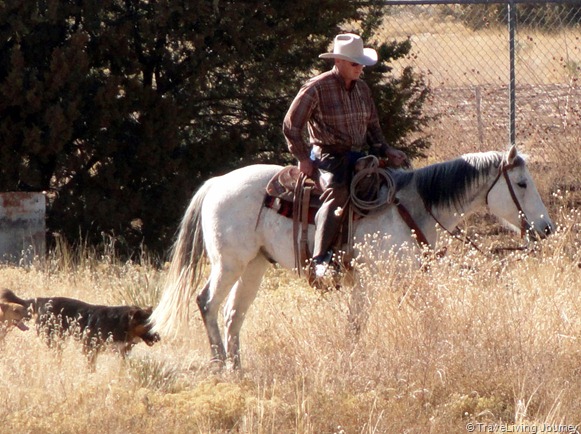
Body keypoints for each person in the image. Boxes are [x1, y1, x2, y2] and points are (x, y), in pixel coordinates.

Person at [283, 33, 407, 279]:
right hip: (326, 157)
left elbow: (373, 129)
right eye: (354, 63)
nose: (360, 68)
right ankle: (321, 260)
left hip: (357, 156)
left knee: (391, 184)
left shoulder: (362, 89)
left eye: (361, 63)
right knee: (337, 193)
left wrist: (387, 150)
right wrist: (302, 158)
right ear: (338, 62)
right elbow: (291, 125)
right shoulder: (316, 88)